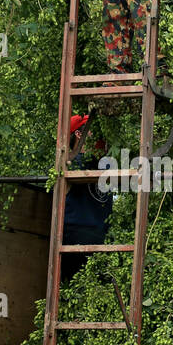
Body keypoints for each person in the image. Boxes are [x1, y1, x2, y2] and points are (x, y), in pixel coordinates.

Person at [61, 114, 112, 284]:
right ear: (78, 134)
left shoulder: (103, 164)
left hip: (100, 237)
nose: (99, 136)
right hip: (74, 238)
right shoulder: (71, 163)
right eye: (93, 131)